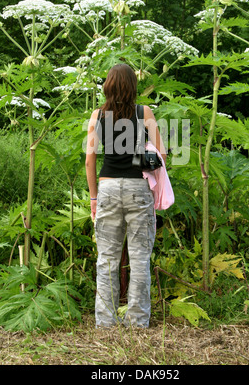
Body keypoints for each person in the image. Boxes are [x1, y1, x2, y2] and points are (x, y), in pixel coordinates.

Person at [86, 63, 166, 328]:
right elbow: (163, 155)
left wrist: (94, 198)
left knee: (107, 258)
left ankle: (105, 322)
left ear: (107, 85)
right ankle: (138, 321)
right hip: (137, 188)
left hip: (107, 188)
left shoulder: (97, 115)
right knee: (140, 257)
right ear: (134, 86)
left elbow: (89, 160)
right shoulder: (144, 112)